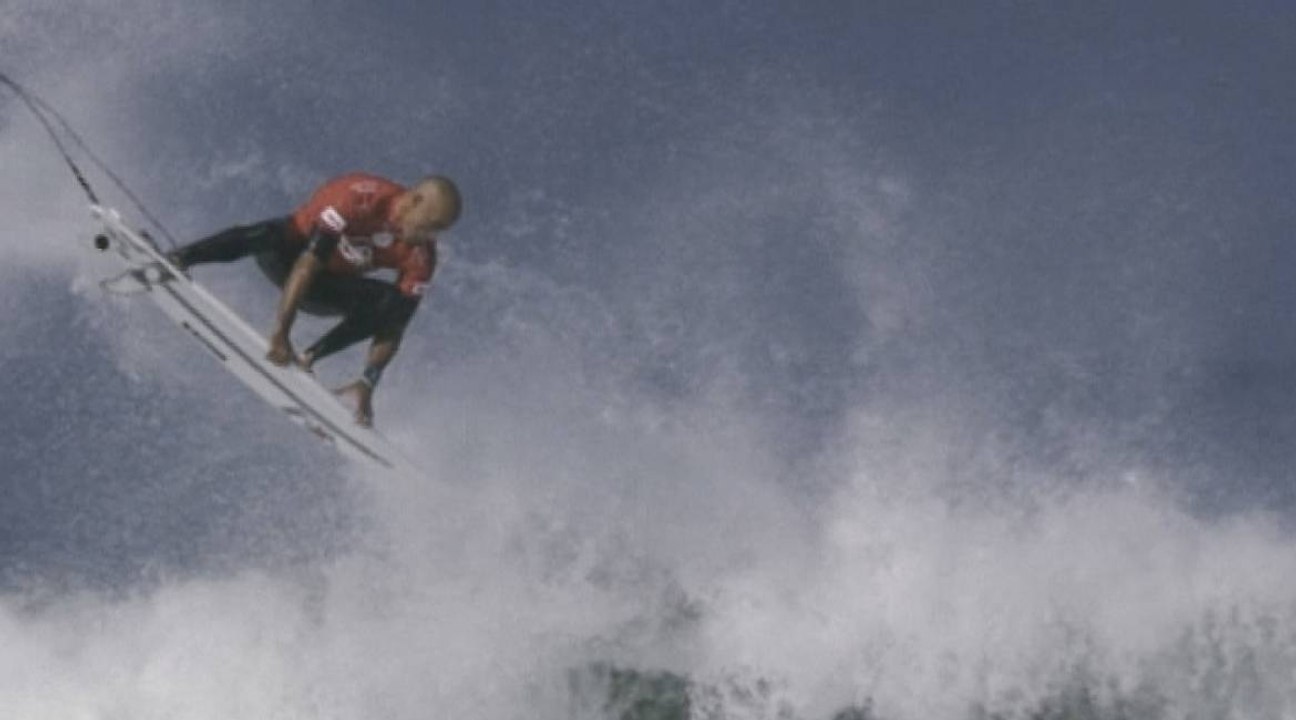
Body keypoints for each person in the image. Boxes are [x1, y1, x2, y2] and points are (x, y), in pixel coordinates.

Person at [168, 172, 461, 427]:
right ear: (414, 201)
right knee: (269, 233)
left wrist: (368, 381)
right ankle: (180, 258)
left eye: (439, 231)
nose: (431, 236)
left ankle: (309, 358)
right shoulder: (360, 197)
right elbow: (307, 264)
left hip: (323, 291)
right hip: (287, 259)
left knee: (392, 304)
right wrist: (281, 333)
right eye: (430, 225)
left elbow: (395, 328)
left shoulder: (421, 256)